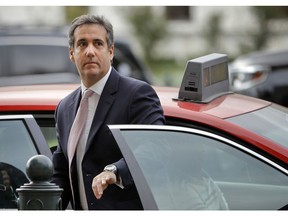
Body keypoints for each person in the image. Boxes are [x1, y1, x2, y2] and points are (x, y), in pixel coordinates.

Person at [51, 14, 165, 210]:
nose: (90, 51)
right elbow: (61, 172)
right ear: (72, 54)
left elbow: (156, 145)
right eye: (82, 44)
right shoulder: (65, 107)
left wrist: (114, 171)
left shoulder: (136, 94)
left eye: (97, 43)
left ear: (110, 51)